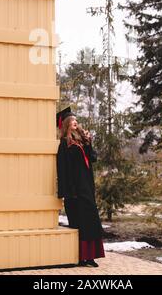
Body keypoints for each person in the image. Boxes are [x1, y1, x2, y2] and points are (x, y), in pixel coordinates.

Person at [56, 107, 105, 267]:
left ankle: (89, 256)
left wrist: (89, 143)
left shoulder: (82, 141)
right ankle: (78, 257)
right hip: (74, 190)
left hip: (86, 187)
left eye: (77, 120)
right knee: (78, 223)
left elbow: (93, 158)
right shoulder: (64, 144)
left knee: (90, 221)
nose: (76, 122)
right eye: (73, 120)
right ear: (66, 124)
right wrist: (65, 191)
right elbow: (62, 169)